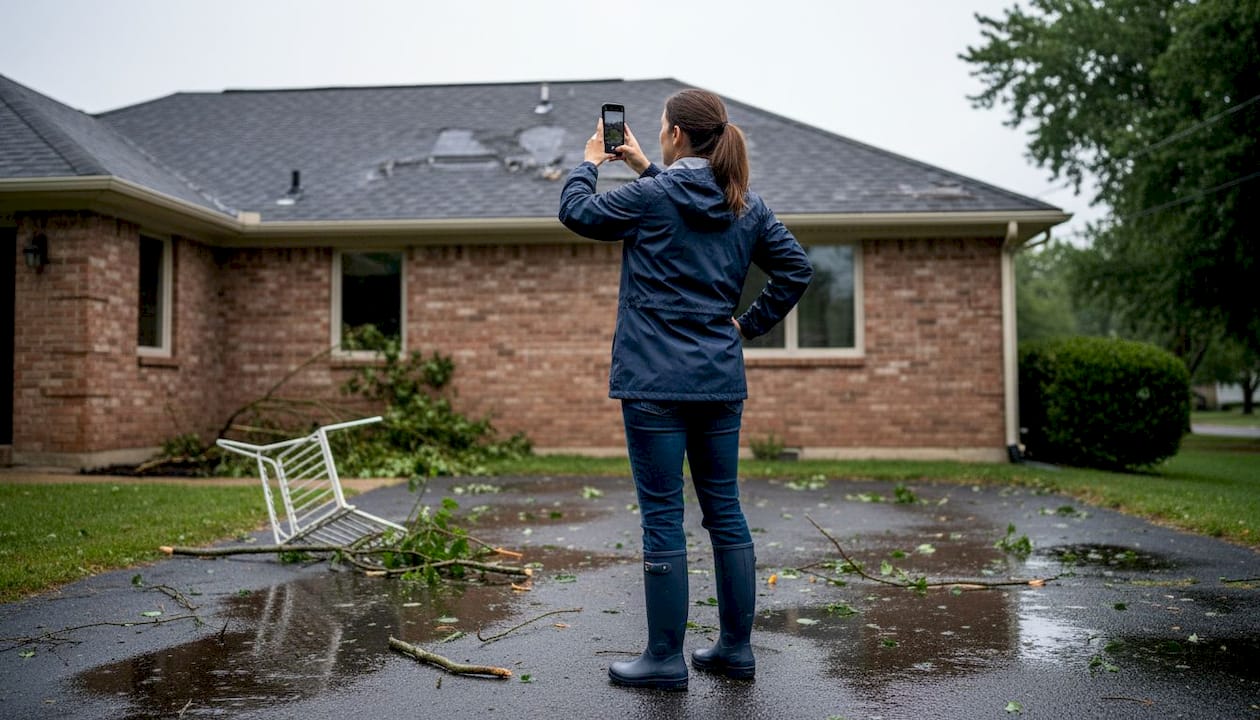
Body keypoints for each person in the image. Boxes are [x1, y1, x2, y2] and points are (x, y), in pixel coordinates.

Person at [558, 89, 813, 690]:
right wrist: (747, 325)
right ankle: (734, 650)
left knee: (663, 518)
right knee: (725, 511)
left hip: (653, 384)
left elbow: (578, 213)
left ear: (675, 135)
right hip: (719, 380)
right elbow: (795, 269)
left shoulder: (653, 197)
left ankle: (665, 660)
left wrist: (591, 159)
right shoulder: (744, 205)